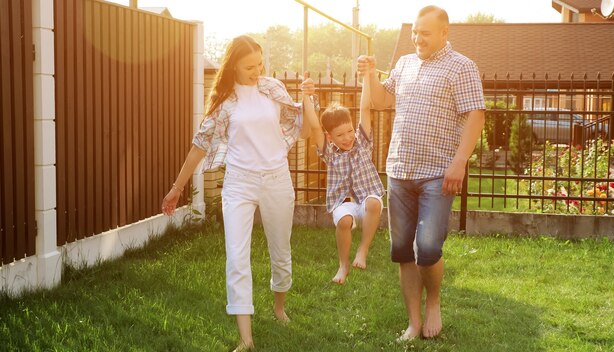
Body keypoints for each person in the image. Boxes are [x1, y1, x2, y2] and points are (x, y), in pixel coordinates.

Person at [161, 35, 312, 352]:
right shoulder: (224, 103)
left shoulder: (273, 90)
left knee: (281, 251)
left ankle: (279, 307)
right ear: (233, 67)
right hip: (240, 183)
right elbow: (199, 146)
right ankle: (246, 339)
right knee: (237, 257)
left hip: (276, 179)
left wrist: (308, 101)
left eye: (260, 64)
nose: (256, 71)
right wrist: (177, 188)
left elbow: (304, 128)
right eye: (249, 67)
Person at [357, 5, 485, 340]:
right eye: (415, 32)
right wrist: (370, 74)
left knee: (427, 249)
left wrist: (459, 162)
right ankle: (413, 322)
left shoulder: (461, 67)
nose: (417, 38)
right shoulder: (405, 63)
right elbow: (383, 101)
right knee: (403, 251)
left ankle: (434, 302)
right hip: (399, 169)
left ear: (444, 33)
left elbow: (475, 116)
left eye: (424, 33)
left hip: (437, 173)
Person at [301, 72, 384, 285]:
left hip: (366, 200)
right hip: (343, 202)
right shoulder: (328, 152)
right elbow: (314, 124)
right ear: (330, 137)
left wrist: (366, 76)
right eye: (340, 135)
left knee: (374, 202)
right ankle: (343, 265)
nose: (347, 138)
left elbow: (365, 108)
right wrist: (307, 96)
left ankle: (363, 251)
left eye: (349, 131)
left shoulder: (362, 143)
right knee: (345, 221)